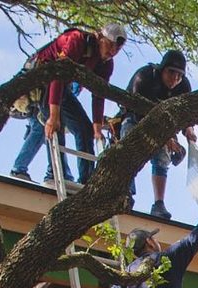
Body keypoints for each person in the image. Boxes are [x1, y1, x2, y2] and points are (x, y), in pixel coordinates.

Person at [29, 24, 127, 185]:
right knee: (55, 126)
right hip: (45, 79)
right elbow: (57, 75)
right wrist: (53, 116)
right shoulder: (77, 40)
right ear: (100, 37)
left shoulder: (106, 63)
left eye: (117, 49)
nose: (112, 51)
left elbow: (99, 94)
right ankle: (54, 174)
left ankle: (87, 181)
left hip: (63, 87)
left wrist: (96, 127)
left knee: (85, 129)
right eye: (110, 45)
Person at [119, 49, 197, 219]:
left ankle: (158, 204)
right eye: (171, 73)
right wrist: (165, 137)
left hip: (164, 127)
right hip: (135, 118)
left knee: (163, 157)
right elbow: (139, 111)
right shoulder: (144, 78)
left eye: (179, 75)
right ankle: (125, 193)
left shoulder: (183, 87)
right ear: (162, 69)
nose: (175, 79)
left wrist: (188, 129)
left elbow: (187, 113)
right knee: (130, 147)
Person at [10, 84, 79, 185]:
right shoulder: (74, 79)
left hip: (41, 102)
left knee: (47, 133)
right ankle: (58, 174)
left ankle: (60, 173)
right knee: (44, 131)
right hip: (39, 102)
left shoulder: (76, 83)